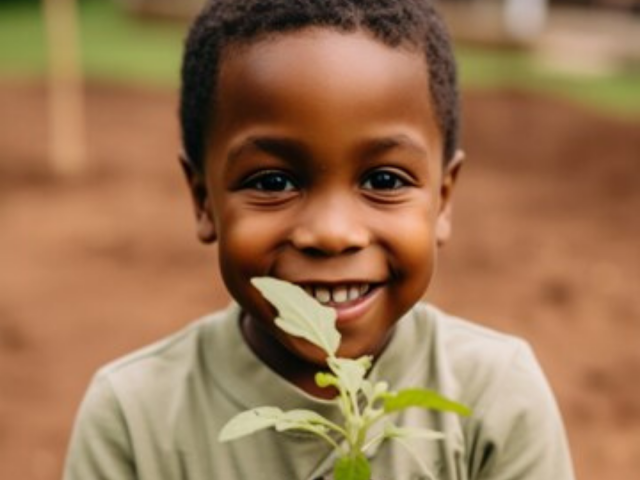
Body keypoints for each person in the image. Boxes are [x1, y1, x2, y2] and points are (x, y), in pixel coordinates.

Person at [63, 1, 575, 479]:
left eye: (385, 180)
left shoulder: (498, 398)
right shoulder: (132, 416)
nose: (332, 234)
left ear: (442, 198)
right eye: (272, 183)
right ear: (203, 199)